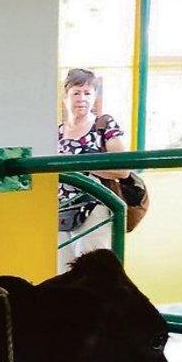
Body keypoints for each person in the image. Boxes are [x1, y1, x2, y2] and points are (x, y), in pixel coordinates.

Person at [57, 67, 130, 266]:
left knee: (94, 271)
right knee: (62, 274)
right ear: (66, 96)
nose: (82, 98)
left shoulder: (103, 125)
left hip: (94, 209)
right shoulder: (57, 133)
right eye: (76, 93)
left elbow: (123, 170)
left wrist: (79, 165)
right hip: (61, 213)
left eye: (87, 93)